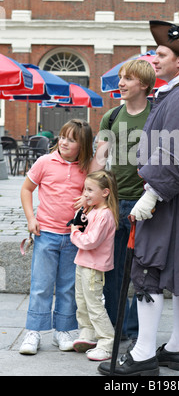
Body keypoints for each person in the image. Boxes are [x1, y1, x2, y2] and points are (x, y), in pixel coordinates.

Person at [99, 20, 179, 376]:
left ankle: (144, 353)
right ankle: (177, 350)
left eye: (161, 53)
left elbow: (173, 152)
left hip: (170, 199)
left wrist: (150, 196)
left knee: (148, 271)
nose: (155, 58)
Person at [90, 59, 156, 344]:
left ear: (143, 84)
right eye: (120, 78)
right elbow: (100, 160)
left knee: (142, 270)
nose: (121, 83)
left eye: (127, 79)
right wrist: (90, 197)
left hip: (148, 205)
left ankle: (134, 328)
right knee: (114, 269)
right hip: (116, 205)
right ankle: (116, 327)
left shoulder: (157, 115)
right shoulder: (112, 117)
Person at [19, 119, 93, 355]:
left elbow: (99, 195)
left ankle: (63, 330)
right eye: (62, 137)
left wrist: (87, 200)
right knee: (41, 285)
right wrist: (31, 219)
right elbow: (26, 189)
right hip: (46, 235)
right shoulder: (45, 162)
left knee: (67, 287)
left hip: (73, 238)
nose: (63, 142)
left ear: (82, 145)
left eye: (71, 140)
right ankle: (33, 331)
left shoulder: (88, 167)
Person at [71, 170, 119, 361]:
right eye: (85, 189)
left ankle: (107, 341)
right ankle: (88, 333)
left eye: (90, 190)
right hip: (82, 262)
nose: (85, 193)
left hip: (93, 266)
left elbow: (91, 241)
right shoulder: (92, 209)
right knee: (81, 302)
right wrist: (84, 205)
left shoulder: (105, 215)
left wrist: (74, 233)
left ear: (105, 192)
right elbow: (78, 220)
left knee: (94, 305)